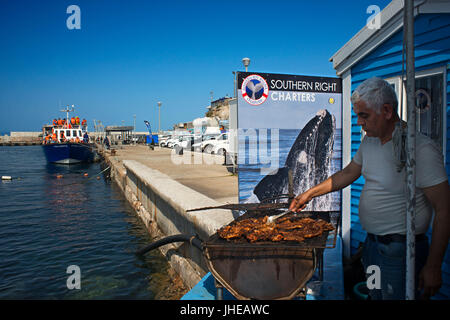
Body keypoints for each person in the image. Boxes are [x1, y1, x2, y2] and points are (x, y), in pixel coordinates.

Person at [289, 77, 449, 300]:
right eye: (357, 115)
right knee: (375, 294)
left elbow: (444, 209)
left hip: (400, 252)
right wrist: (308, 194)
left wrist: (433, 266)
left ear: (386, 110)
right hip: (372, 246)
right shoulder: (369, 142)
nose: (358, 123)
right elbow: (347, 174)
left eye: (364, 115)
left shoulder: (420, 148)